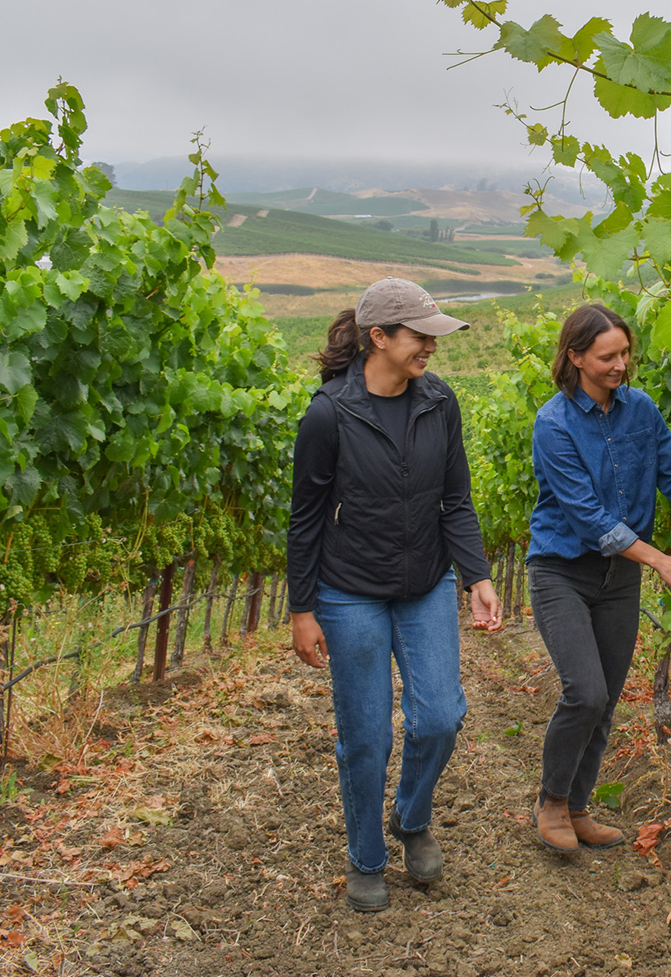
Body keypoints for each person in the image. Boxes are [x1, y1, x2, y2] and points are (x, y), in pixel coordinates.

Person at [287, 277, 503, 912]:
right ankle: (366, 857)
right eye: (420, 335)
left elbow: (456, 499)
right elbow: (305, 519)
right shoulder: (329, 413)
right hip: (349, 590)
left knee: (439, 717)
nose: (431, 346)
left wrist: (478, 577)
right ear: (378, 337)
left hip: (425, 581)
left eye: (434, 335)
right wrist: (302, 609)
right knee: (367, 736)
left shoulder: (440, 401)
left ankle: (411, 818)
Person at [526, 303, 671, 852]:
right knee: (584, 692)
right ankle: (551, 802)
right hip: (562, 570)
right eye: (608, 356)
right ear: (576, 357)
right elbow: (589, 518)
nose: (620, 365)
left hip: (619, 578)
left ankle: (578, 807)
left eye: (626, 353)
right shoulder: (553, 424)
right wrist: (660, 560)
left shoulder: (642, 410)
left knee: (606, 699)